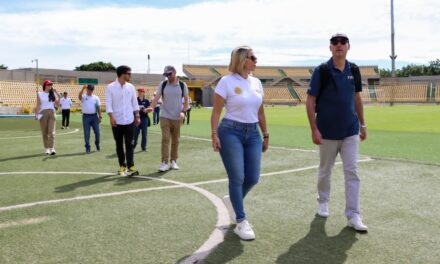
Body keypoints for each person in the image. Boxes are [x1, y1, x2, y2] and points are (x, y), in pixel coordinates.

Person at [305, 33, 368, 231]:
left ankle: (353, 216)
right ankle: (323, 201)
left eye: (343, 42)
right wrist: (314, 129)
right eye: (335, 43)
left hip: (350, 130)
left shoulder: (354, 69)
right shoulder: (322, 70)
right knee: (325, 171)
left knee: (352, 171)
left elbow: (357, 98)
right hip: (326, 132)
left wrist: (363, 125)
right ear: (330, 48)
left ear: (349, 46)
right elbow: (310, 100)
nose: (339, 45)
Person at [211, 46, 269, 240]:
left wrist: (265, 134)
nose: (256, 59)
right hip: (230, 132)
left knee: (252, 178)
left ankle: (232, 201)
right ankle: (241, 221)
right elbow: (217, 111)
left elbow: (260, 112)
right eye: (253, 57)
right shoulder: (226, 82)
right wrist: (214, 134)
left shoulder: (257, 83)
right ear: (243, 59)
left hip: (253, 133)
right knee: (237, 176)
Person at [148, 65, 189, 172]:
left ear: (175, 72)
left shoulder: (182, 85)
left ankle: (173, 161)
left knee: (175, 140)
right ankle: (164, 162)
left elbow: (186, 101)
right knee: (166, 138)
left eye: (169, 74)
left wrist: (183, 112)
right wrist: (151, 107)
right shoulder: (163, 84)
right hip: (164, 115)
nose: (168, 76)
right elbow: (156, 97)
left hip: (177, 117)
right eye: (166, 75)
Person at [105, 65, 140, 176]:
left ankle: (131, 166)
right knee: (119, 144)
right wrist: (111, 117)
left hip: (130, 120)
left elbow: (134, 103)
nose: (130, 75)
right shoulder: (110, 87)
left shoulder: (131, 87)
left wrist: (137, 115)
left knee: (130, 143)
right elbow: (108, 104)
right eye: (129, 73)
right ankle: (122, 166)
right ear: (122, 74)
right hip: (117, 121)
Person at [34, 80, 60, 155]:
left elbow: (57, 105)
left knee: (51, 132)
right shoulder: (40, 94)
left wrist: (58, 96)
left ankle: (52, 148)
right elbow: (38, 105)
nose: (50, 86)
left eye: (51, 85)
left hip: (52, 113)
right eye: (48, 84)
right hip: (43, 113)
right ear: (45, 85)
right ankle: (46, 148)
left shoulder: (53, 94)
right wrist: (36, 114)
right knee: (44, 132)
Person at [78, 84, 102, 153]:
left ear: (93, 90)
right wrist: (82, 89)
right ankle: (87, 147)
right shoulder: (84, 96)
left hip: (94, 116)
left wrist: (100, 116)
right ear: (86, 89)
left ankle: (97, 143)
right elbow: (79, 97)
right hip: (86, 117)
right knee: (86, 133)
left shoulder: (96, 97)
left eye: (91, 90)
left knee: (97, 132)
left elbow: (98, 107)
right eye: (89, 89)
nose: (90, 91)